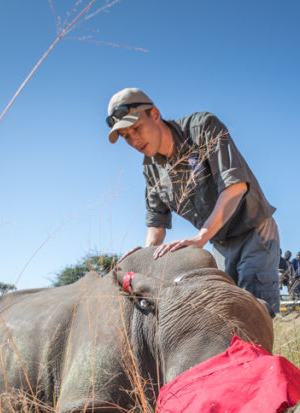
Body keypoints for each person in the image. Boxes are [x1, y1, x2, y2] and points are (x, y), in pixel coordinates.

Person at [106, 87, 282, 314]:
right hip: (219, 243)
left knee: (255, 311)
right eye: (125, 136)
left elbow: (235, 187)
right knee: (224, 316)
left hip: (255, 232)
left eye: (137, 128)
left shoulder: (202, 128)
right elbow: (156, 225)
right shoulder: (150, 169)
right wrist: (144, 259)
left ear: (155, 114)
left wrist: (200, 238)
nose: (134, 140)